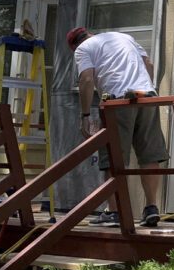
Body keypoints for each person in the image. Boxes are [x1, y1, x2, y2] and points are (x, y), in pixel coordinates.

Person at [67, 27, 167, 228]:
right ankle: (151, 208)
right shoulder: (124, 37)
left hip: (118, 101)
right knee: (149, 156)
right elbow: (148, 64)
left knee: (114, 157)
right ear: (89, 33)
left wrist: (85, 115)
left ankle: (114, 212)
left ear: (74, 45)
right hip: (147, 96)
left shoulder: (83, 49)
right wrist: (147, 87)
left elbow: (86, 79)